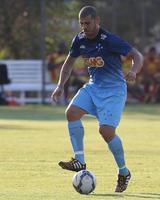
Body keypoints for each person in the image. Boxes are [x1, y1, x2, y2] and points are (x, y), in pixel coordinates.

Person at [51, 6, 143, 193]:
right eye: (82, 24)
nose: (84, 27)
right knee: (71, 113)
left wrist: (133, 70)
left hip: (114, 90)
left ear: (97, 21)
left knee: (106, 132)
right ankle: (80, 161)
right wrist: (60, 85)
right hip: (93, 87)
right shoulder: (79, 40)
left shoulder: (109, 40)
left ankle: (123, 172)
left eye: (88, 23)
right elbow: (68, 64)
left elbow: (137, 56)